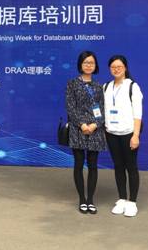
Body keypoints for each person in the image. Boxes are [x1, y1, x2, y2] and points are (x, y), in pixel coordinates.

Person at [65, 51, 106, 214]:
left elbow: (103, 109)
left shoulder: (99, 86)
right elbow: (70, 107)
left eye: (91, 63)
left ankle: (90, 200)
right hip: (78, 129)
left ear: (95, 66)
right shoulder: (72, 84)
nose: (89, 65)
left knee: (93, 165)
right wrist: (82, 124)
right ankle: (82, 199)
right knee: (78, 164)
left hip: (95, 130)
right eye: (86, 62)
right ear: (80, 65)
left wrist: (95, 124)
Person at [104, 55, 143, 217]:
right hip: (111, 133)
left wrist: (136, 135)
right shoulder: (106, 87)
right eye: (113, 67)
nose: (116, 69)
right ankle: (121, 199)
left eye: (119, 66)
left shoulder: (132, 86)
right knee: (118, 166)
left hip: (128, 134)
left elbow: (138, 114)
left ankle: (132, 202)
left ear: (125, 68)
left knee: (131, 167)